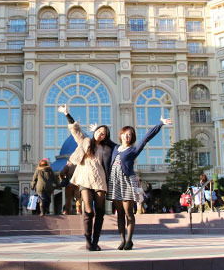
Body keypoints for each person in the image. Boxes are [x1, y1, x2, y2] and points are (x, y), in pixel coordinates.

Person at [107, 116, 172, 250]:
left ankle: (129, 240)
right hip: (115, 182)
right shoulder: (115, 148)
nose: (127, 136)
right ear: (121, 135)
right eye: (125, 134)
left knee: (128, 212)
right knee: (119, 213)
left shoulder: (133, 150)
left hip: (126, 181)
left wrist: (160, 124)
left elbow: (146, 138)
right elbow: (103, 138)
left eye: (130, 135)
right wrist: (96, 129)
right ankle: (122, 240)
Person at [58, 104, 113, 251]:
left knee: (100, 212)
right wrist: (67, 114)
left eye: (104, 134)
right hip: (85, 180)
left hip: (100, 181)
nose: (100, 134)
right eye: (99, 131)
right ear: (95, 131)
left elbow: (117, 149)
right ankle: (88, 240)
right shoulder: (85, 141)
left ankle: (96, 241)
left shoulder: (106, 148)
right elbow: (75, 130)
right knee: (88, 210)